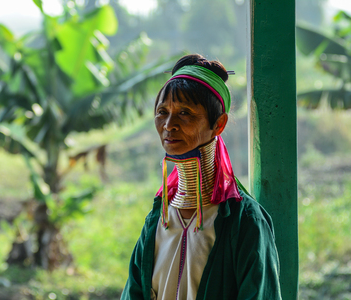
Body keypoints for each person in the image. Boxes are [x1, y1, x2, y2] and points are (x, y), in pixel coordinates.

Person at [120, 54, 282, 300]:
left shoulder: (244, 221)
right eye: (162, 111)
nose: (168, 124)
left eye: (185, 113)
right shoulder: (158, 217)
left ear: (219, 124)